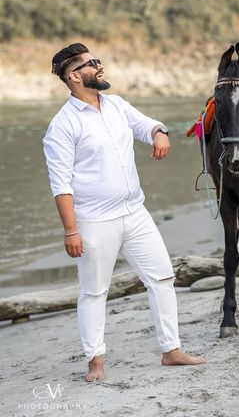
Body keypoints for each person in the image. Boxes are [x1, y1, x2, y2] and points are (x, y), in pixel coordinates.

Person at [43, 43, 205, 382]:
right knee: (94, 291)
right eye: (92, 63)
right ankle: (95, 361)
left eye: (99, 61)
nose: (100, 67)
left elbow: (147, 125)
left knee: (162, 277)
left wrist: (159, 134)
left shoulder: (116, 105)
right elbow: (61, 185)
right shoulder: (62, 125)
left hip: (135, 212)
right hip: (93, 221)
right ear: (74, 76)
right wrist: (71, 230)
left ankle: (171, 350)